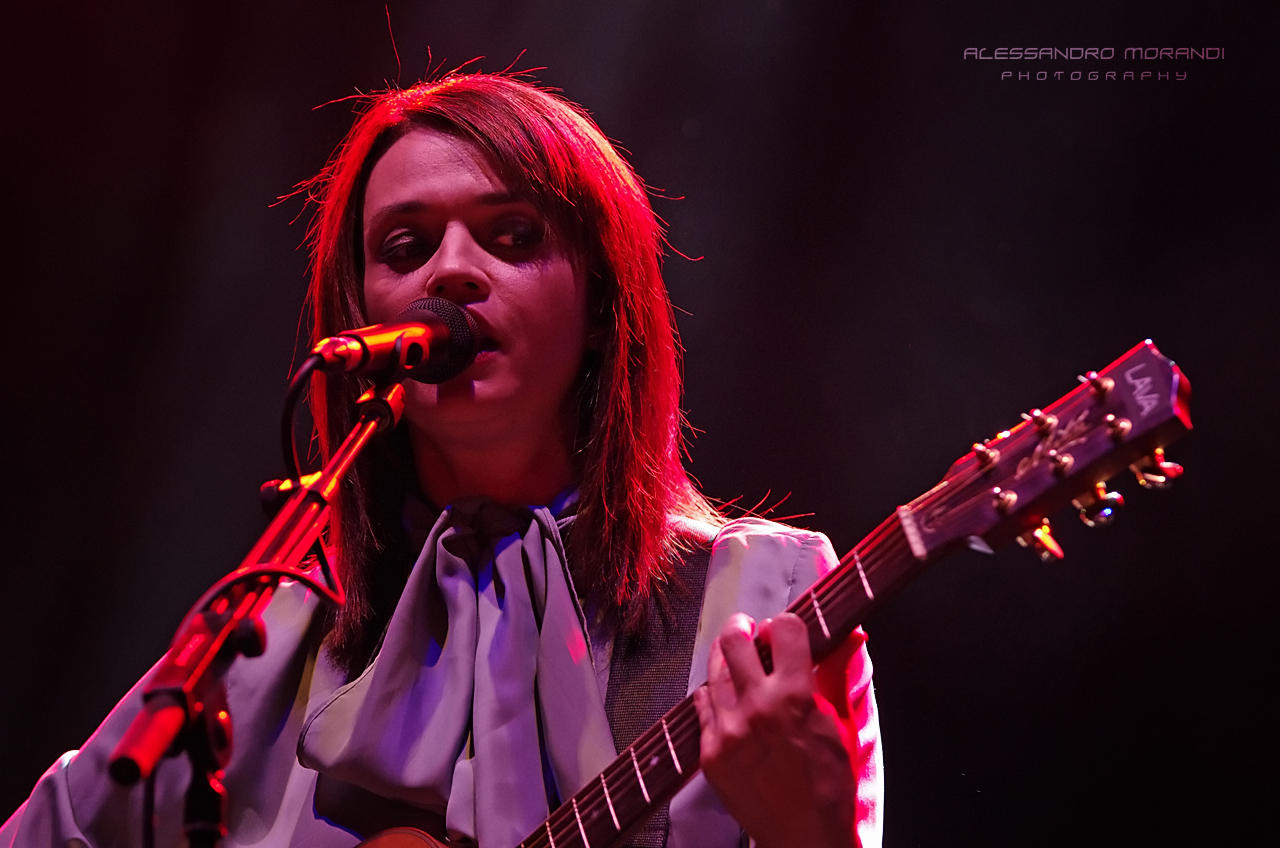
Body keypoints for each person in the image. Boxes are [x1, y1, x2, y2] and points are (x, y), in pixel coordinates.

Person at [2, 73, 881, 848]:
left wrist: (815, 840)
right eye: (405, 247)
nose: (451, 271)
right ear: (359, 315)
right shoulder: (275, 635)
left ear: (601, 299)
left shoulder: (763, 605)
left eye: (512, 236)